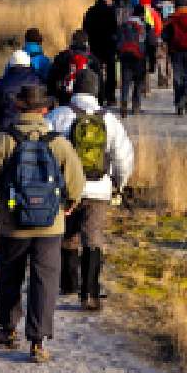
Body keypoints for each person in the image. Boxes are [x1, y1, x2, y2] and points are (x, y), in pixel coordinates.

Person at [0, 84, 84, 363]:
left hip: (12, 224)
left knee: (10, 276)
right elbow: (76, 182)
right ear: (44, 110)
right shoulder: (58, 143)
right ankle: (38, 341)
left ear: (19, 107)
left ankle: (8, 329)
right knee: (45, 281)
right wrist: (68, 205)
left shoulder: (3, 141)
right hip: (50, 226)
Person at [45, 92, 131, 310]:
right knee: (92, 238)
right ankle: (90, 293)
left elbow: (44, 150)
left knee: (67, 234)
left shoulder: (58, 116)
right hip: (99, 189)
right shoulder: (109, 120)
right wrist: (119, 184)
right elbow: (123, 157)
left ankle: (68, 283)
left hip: (67, 188)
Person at [111, 0, 152, 115]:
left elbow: (116, 40)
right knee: (138, 82)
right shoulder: (145, 26)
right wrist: (151, 58)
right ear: (142, 15)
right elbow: (151, 42)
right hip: (140, 56)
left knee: (125, 81)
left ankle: (123, 103)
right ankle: (136, 105)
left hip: (125, 56)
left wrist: (117, 53)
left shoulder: (123, 25)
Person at [0, 49, 43, 134]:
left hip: (6, 128)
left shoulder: (2, 82)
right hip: (33, 128)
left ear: (10, 64)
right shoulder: (37, 80)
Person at [81, 0, 120, 104]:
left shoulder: (90, 11)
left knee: (96, 71)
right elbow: (116, 29)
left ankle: (99, 96)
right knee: (111, 72)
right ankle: (110, 96)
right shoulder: (112, 12)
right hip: (109, 46)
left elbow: (85, 29)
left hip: (95, 46)